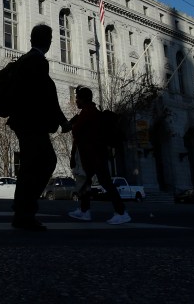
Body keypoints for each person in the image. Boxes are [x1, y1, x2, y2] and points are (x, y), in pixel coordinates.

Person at [7, 24, 71, 230]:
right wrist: (60, 121)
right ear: (46, 41)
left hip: (23, 121)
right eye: (50, 37)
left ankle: (21, 210)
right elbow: (46, 95)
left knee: (29, 165)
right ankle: (26, 210)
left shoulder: (25, 60)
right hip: (31, 122)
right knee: (46, 162)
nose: (52, 41)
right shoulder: (37, 61)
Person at [67, 86, 131, 225]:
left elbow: (76, 132)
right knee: (86, 181)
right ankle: (84, 211)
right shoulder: (89, 111)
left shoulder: (88, 112)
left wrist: (73, 124)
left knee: (105, 182)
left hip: (95, 154)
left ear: (83, 99)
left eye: (77, 98)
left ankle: (121, 212)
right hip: (92, 154)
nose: (76, 100)